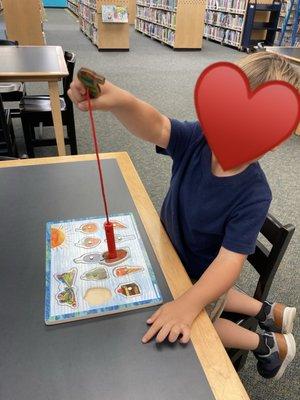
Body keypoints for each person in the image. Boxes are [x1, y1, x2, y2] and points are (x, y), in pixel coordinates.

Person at [68, 52, 298, 380]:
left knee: (202, 325)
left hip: (202, 277)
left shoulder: (254, 193)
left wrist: (188, 306)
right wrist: (122, 101)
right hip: (173, 254)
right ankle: (268, 311)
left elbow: (228, 265)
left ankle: (267, 344)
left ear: (273, 141)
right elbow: (157, 124)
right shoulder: (197, 139)